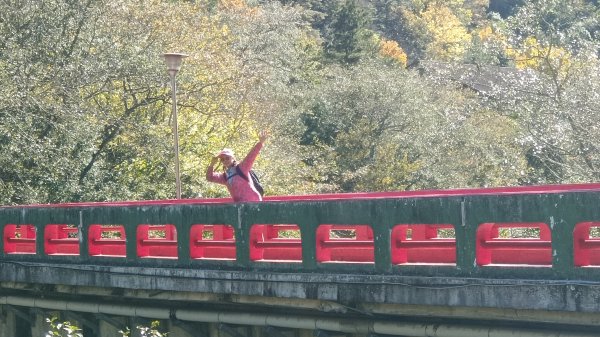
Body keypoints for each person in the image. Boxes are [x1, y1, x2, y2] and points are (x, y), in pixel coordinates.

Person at [206, 131, 269, 202]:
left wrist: (260, 143)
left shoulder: (242, 168)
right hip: (240, 207)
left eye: (227, 158)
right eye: (222, 159)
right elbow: (210, 177)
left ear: (233, 158)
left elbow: (251, 156)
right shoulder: (225, 177)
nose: (225, 160)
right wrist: (211, 165)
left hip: (254, 202)